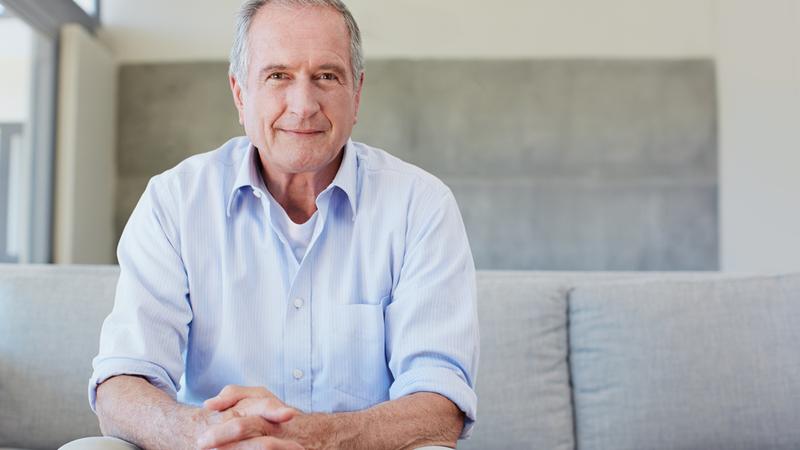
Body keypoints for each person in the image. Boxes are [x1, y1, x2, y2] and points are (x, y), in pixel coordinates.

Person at [78, 1, 479, 449]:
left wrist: (310, 438)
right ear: (240, 93)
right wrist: (209, 434)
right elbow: (121, 384)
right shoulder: (174, 201)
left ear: (357, 93)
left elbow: (441, 405)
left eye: (327, 76)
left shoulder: (420, 205)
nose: (304, 105)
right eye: (277, 76)